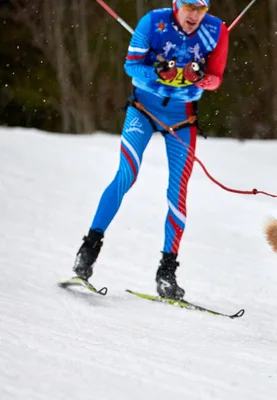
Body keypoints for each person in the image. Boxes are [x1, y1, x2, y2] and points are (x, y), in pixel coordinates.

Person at [71, 0, 229, 300]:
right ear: (176, 5)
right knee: (126, 175)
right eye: (188, 7)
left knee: (177, 191)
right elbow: (131, 65)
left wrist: (201, 77)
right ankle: (88, 249)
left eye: (201, 9)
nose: (194, 15)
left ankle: (166, 273)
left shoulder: (216, 30)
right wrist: (159, 71)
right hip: (143, 110)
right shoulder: (153, 22)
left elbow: (216, 79)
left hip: (182, 118)